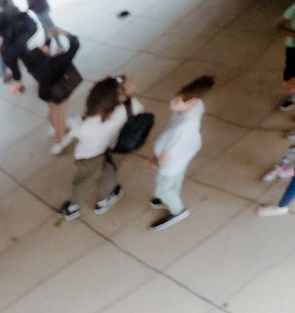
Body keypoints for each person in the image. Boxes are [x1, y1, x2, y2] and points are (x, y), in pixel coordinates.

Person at [59, 75, 141, 220]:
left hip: (87, 156)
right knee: (109, 174)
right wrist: (130, 93)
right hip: (113, 149)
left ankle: (73, 207)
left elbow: (66, 134)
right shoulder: (125, 110)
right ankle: (103, 201)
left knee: (81, 181)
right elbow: (138, 108)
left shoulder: (82, 121)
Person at [149, 75, 213, 230]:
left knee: (162, 189)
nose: (172, 103)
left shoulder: (183, 127)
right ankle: (172, 196)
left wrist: (156, 163)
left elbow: (168, 153)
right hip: (185, 154)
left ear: (191, 102)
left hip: (173, 161)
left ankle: (177, 210)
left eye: (177, 102)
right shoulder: (196, 106)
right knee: (176, 178)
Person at [21, 32, 81, 154]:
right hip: (59, 92)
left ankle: (54, 129)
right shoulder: (56, 63)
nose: (45, 47)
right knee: (61, 117)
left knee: (53, 112)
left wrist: (51, 48)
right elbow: (75, 44)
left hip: (47, 92)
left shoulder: (31, 63)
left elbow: (43, 56)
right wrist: (63, 33)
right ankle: (60, 140)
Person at [281, 3, 295, 111]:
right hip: (293, 48)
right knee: (289, 80)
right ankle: (293, 96)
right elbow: (279, 26)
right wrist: (293, 34)